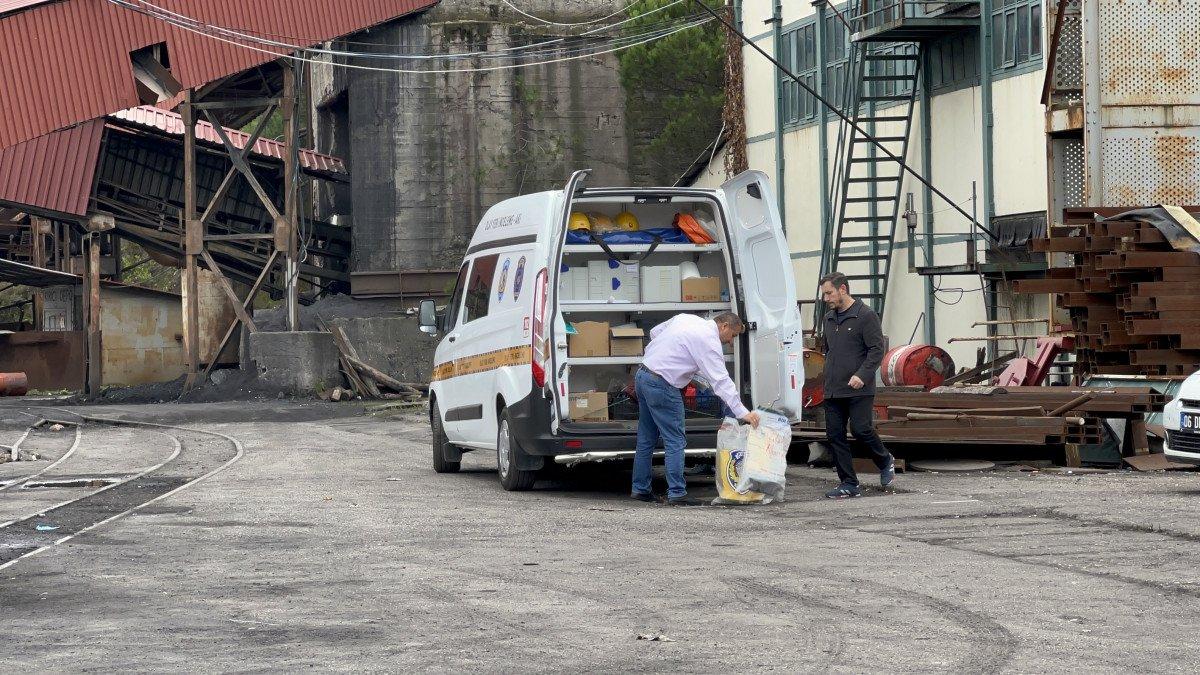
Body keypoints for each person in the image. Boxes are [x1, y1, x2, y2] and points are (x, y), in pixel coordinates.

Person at [633, 312, 761, 506]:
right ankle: (677, 493)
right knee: (675, 440)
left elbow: (654, 332)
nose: (730, 342)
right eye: (733, 336)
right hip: (663, 384)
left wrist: (672, 358)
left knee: (646, 438)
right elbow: (721, 381)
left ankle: (640, 489)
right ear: (724, 326)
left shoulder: (686, 319)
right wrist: (743, 412)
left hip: (643, 375)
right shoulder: (709, 341)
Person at [818, 272, 896, 499]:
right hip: (833, 388)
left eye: (829, 293)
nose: (826, 299)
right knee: (834, 435)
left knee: (860, 429)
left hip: (858, 387)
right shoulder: (829, 318)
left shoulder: (865, 315)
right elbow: (830, 350)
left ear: (843, 289)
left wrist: (862, 374)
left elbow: (876, 350)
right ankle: (849, 483)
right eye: (824, 294)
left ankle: (884, 459)